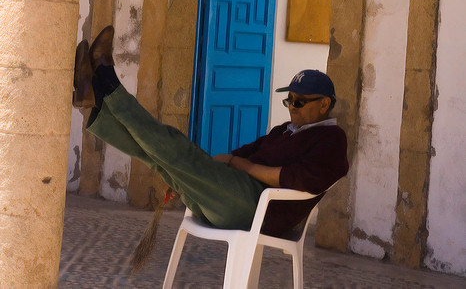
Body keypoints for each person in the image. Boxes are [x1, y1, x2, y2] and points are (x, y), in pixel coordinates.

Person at [74, 26, 349, 267]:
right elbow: (238, 154)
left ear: (324, 104)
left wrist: (241, 165)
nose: (291, 107)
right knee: (164, 159)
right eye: (288, 101)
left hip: (256, 207)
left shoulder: (331, 140)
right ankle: (96, 99)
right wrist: (185, 174)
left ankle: (106, 84)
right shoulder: (284, 131)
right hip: (230, 194)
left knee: (178, 151)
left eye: (299, 102)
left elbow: (296, 180)